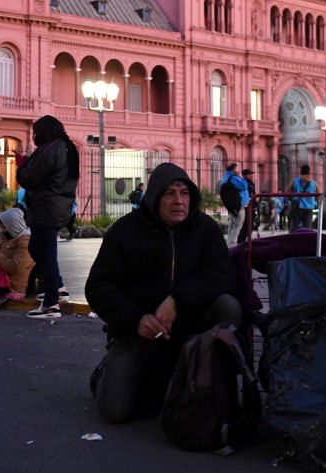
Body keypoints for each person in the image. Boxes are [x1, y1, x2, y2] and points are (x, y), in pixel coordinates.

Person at [85, 162, 242, 424]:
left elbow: (223, 274)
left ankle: (202, 371)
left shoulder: (205, 229)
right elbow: (99, 287)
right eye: (169, 193)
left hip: (188, 329)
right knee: (115, 411)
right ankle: (106, 372)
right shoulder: (125, 232)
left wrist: (178, 300)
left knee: (228, 306)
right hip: (139, 332)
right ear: (155, 197)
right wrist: (136, 319)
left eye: (184, 193)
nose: (179, 201)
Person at [17, 115, 79, 318]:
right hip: (58, 205)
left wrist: (21, 166)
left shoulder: (49, 149)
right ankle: (58, 287)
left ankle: (51, 305)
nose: (34, 136)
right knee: (38, 249)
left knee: (46, 253)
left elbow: (29, 178)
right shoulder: (69, 148)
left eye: (36, 132)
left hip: (46, 206)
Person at [219, 163, 249, 246]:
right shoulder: (233, 178)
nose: (237, 171)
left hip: (230, 205)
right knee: (239, 223)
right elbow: (244, 186)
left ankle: (229, 240)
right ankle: (233, 241)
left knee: (232, 223)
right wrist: (240, 177)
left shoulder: (225, 178)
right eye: (235, 169)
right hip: (239, 204)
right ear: (232, 170)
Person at [285, 164, 318, 231]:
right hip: (309, 208)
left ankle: (292, 240)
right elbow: (318, 196)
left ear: (300, 172)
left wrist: (291, 199)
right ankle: (305, 240)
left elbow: (287, 193)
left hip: (297, 207)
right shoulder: (314, 184)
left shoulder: (295, 181)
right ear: (309, 172)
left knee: (294, 227)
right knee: (307, 228)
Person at [237, 168, 256, 244]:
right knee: (244, 224)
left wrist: (255, 205)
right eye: (249, 174)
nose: (250, 176)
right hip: (245, 205)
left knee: (250, 224)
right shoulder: (242, 183)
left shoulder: (251, 183)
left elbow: (254, 194)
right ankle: (241, 241)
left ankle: (248, 239)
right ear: (244, 175)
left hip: (251, 205)